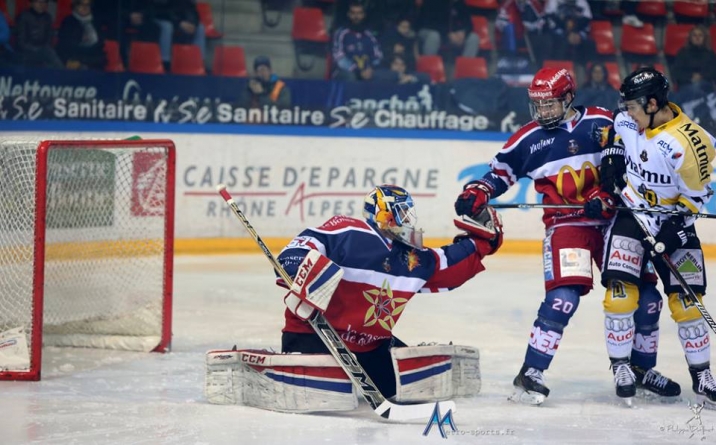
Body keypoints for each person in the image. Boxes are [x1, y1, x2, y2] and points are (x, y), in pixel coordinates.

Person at [454, 67, 676, 405]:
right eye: (537, 106)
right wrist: (479, 190)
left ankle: (642, 370)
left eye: (549, 105)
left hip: (614, 223)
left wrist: (608, 195)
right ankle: (531, 370)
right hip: (567, 227)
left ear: (569, 98)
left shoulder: (604, 122)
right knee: (564, 298)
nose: (542, 112)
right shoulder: (528, 137)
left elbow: (632, 166)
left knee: (648, 299)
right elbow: (500, 171)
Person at [205, 185, 504, 412]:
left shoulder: (414, 259)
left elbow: (451, 264)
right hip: (315, 334)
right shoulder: (348, 230)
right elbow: (296, 252)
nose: (409, 220)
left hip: (370, 347)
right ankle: (286, 360)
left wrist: (483, 240)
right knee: (325, 394)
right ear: (384, 214)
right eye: (403, 213)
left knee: (396, 389)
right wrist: (302, 269)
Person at [584, 67, 716, 408]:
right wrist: (613, 160)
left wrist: (670, 235)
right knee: (619, 297)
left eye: (633, 107)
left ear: (653, 103)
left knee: (687, 304)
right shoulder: (632, 119)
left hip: (674, 221)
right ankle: (622, 368)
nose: (628, 113)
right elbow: (619, 127)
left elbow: (696, 200)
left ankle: (702, 376)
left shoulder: (691, 144)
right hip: (632, 215)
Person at [332, 0, 383, 81]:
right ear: (348, 14)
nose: (356, 16)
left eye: (359, 13)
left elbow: (378, 55)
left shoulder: (369, 34)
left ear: (364, 15)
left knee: (387, 75)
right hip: (346, 71)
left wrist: (371, 68)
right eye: (353, 13)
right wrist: (358, 71)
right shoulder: (341, 33)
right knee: (351, 77)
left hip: (368, 70)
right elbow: (339, 57)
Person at [57, 0, 107, 70]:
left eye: (88, 5)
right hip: (76, 57)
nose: (85, 7)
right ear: (75, 6)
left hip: (93, 59)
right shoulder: (68, 22)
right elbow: (64, 45)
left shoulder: (97, 22)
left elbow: (100, 44)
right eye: (81, 4)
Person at [544, 0, 596, 67]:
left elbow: (586, 20)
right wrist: (567, 33)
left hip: (578, 32)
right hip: (559, 32)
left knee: (589, 44)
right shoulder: (553, 1)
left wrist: (576, 32)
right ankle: (559, 71)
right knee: (559, 43)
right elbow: (550, 19)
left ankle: (589, 71)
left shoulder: (582, 2)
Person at [15, 0, 63, 69]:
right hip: (26, 52)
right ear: (31, 3)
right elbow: (21, 41)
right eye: (39, 2)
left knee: (50, 54)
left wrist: (42, 50)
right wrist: (35, 49)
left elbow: (48, 39)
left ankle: (62, 75)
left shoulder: (47, 17)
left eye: (44, 2)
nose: (42, 4)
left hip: (43, 51)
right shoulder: (23, 16)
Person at [672, 25, 716, 95]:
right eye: (694, 35)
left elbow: (713, 72)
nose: (697, 38)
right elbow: (677, 72)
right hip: (687, 84)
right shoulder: (682, 52)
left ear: (704, 38)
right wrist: (691, 77)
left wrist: (701, 76)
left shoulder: (710, 53)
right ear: (690, 38)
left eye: (700, 35)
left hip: (705, 84)